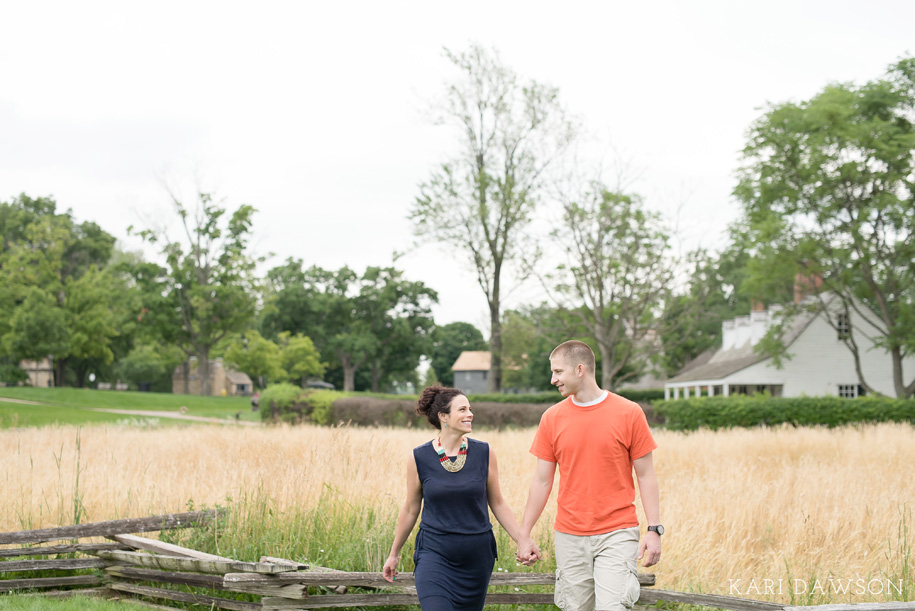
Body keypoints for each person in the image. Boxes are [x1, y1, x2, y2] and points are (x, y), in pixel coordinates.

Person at [516, 340, 662, 611]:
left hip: (617, 533)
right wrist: (524, 533)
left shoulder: (629, 413)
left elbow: (646, 476)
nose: (552, 379)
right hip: (569, 536)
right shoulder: (551, 418)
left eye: (558, 372)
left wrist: (654, 530)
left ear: (580, 369)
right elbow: (542, 480)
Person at [382, 385, 533, 610]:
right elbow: (411, 509)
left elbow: (498, 502)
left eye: (470, 408)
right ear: (443, 416)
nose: (470, 414)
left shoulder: (484, 453)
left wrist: (523, 539)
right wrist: (394, 554)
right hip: (435, 554)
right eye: (462, 409)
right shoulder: (419, 457)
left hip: (477, 558)